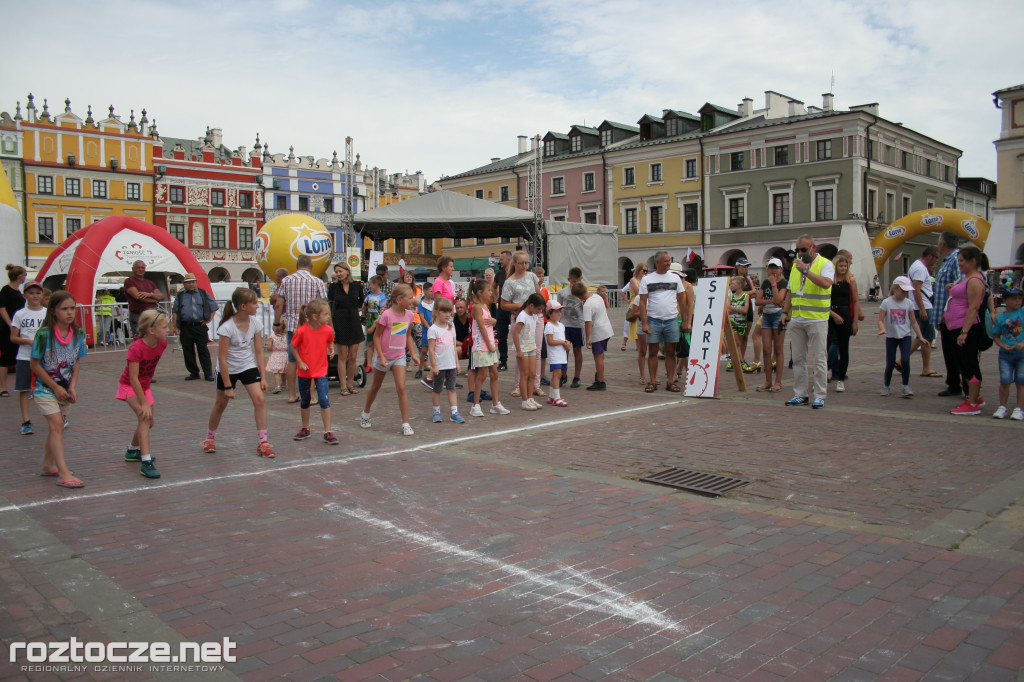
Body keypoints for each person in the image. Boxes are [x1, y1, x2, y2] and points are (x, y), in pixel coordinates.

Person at [202, 288, 275, 456]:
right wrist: (228, 386)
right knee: (221, 404)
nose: (257, 306)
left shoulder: (255, 323)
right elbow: (222, 358)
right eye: (254, 303)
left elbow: (258, 351)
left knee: (259, 400)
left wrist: (263, 377)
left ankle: (263, 442)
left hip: (247, 365)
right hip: (228, 369)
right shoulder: (227, 327)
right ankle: (210, 438)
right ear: (243, 306)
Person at [30, 291, 87, 487]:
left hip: (64, 390)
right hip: (45, 389)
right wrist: (54, 386)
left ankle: (47, 465)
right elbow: (35, 364)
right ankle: (64, 473)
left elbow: (77, 361)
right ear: (53, 311)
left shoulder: (78, 333)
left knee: (58, 426)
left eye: (72, 308)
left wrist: (72, 386)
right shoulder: (44, 334)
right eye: (64, 309)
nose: (69, 313)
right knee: (56, 425)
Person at [360, 284, 420, 435]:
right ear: (399, 300)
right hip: (384, 357)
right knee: (375, 387)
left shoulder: (409, 315)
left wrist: (413, 354)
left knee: (402, 388)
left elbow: (407, 335)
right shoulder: (386, 315)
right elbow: (376, 337)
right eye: (409, 298)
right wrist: (380, 357)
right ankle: (365, 413)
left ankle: (405, 423)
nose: (412, 300)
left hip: (399, 356)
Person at [116, 308, 168, 479]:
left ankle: (132, 451)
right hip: (130, 386)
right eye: (164, 327)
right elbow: (132, 379)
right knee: (144, 418)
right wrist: (143, 402)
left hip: (144, 386)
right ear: (151, 330)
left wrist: (146, 398)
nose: (168, 330)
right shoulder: (136, 349)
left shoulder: (162, 344)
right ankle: (145, 462)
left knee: (148, 422)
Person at [784, 235, 834, 409]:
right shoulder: (795, 266)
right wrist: (785, 311)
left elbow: (826, 284)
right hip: (798, 317)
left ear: (813, 247)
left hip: (817, 317)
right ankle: (800, 394)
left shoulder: (825, 264)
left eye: (803, 250)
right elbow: (791, 291)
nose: (799, 253)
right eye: (797, 250)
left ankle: (820, 395)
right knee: (798, 358)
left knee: (819, 358)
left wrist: (806, 270)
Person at [274, 255, 328, 404]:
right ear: (311, 267)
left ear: (297, 266)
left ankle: (292, 394)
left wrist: (277, 323)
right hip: (313, 326)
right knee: (310, 359)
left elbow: (279, 304)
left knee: (292, 360)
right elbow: (324, 305)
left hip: (293, 325)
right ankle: (311, 396)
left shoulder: (286, 280)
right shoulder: (317, 281)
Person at [946, 246, 988, 415]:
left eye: (962, 261)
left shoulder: (975, 281)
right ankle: (974, 397)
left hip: (966, 327)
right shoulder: (967, 279)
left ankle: (972, 403)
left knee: (969, 363)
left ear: (972, 261)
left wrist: (965, 331)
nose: (959, 264)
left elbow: (974, 307)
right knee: (963, 363)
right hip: (956, 326)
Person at [289, 299, 337, 443]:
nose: (329, 317)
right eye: (326, 314)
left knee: (324, 399)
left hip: (321, 369)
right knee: (305, 400)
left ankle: (328, 430)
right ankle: (305, 428)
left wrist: (331, 348)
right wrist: (300, 362)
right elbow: (293, 347)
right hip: (305, 371)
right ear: (315, 317)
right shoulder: (302, 330)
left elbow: (330, 339)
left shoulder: (327, 329)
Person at [639, 251, 688, 393]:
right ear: (657, 263)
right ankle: (653, 382)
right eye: (666, 261)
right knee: (653, 351)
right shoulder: (648, 279)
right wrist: (645, 323)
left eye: (669, 260)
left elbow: (682, 300)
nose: (668, 263)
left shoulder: (675, 278)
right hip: (653, 320)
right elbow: (642, 303)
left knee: (671, 352)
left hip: (671, 319)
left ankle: (670, 381)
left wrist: (684, 321)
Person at [501, 252, 542, 397]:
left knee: (536, 351)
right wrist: (519, 305)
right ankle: (518, 385)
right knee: (521, 352)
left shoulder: (532, 276)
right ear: (515, 263)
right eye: (521, 263)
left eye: (526, 263)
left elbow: (538, 296)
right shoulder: (509, 282)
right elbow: (504, 305)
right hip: (519, 318)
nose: (524, 266)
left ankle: (536, 384)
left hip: (536, 318)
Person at [466, 280, 508, 417]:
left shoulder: (485, 306)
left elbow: (488, 323)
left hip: (488, 344)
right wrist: (489, 344)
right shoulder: (477, 307)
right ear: (480, 292)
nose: (491, 292)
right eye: (488, 290)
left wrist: (494, 322)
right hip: (481, 346)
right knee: (482, 375)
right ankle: (475, 405)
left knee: (494, 374)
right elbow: (481, 327)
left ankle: (495, 404)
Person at [10, 280, 46, 435]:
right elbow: (13, 337)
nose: (35, 296)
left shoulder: (47, 312)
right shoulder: (19, 314)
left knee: (50, 386)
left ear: (42, 294)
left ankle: (58, 417)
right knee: (24, 389)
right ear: (25, 295)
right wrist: (27, 341)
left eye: (38, 293)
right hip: (25, 356)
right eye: (31, 293)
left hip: (45, 357)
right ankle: (25, 421)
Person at [878, 276, 923, 398]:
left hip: (905, 336)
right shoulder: (886, 302)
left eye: (907, 291)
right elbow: (881, 320)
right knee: (890, 363)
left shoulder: (908, 303)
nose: (905, 293)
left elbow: (913, 322)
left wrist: (920, 336)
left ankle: (905, 386)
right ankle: (886, 386)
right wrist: (882, 329)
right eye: (903, 290)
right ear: (895, 288)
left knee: (905, 360)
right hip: (891, 337)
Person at [171, 273, 218, 382]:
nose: (191, 284)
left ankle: (208, 373)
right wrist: (176, 326)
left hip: (199, 326)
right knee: (188, 350)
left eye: (193, 282)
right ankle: (194, 373)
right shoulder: (180, 295)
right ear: (184, 284)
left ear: (196, 282)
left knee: (203, 350)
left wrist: (208, 319)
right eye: (188, 282)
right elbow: (175, 312)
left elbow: (214, 307)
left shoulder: (203, 293)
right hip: (185, 326)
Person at [934, 232, 964, 398]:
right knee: (948, 350)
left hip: (951, 315)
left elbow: (959, 284)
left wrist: (947, 311)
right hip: (945, 316)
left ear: (942, 244)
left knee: (953, 351)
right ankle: (953, 381)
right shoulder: (947, 260)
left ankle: (956, 383)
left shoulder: (955, 259)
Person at [327, 262, 364, 397]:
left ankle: (350, 384)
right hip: (339, 321)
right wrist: (331, 326)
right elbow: (330, 307)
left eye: (340, 271)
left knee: (353, 356)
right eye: (336, 272)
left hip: (354, 320)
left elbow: (361, 302)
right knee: (342, 356)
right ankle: (343, 386)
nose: (338, 274)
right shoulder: (333, 287)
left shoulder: (356, 286)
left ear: (347, 271)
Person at [426, 297, 464, 424]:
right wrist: (434, 366)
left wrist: (457, 363)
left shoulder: (451, 327)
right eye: (444, 312)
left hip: (451, 364)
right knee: (437, 389)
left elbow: (453, 346)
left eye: (449, 312)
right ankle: (436, 411)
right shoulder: (433, 329)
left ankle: (454, 412)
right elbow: (431, 350)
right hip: (440, 365)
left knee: (451, 388)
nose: (448, 315)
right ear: (436, 312)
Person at [755, 258, 789, 393]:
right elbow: (758, 301)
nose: (773, 270)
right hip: (767, 316)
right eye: (771, 267)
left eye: (776, 267)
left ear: (781, 269)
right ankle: (768, 381)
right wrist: (770, 301)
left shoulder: (784, 283)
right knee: (766, 350)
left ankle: (778, 382)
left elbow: (780, 299)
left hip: (779, 316)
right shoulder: (765, 282)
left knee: (778, 349)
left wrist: (774, 285)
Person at [573, 281, 614, 391]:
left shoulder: (587, 305)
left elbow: (588, 323)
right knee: (601, 355)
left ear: (578, 296)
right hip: (607, 329)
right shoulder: (597, 297)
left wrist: (587, 338)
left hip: (598, 331)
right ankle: (599, 375)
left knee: (598, 357)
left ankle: (601, 381)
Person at [826, 254, 858, 393]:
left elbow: (855, 301)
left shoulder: (850, 281)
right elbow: (824, 300)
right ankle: (823, 374)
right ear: (835, 266)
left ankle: (840, 379)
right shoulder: (830, 281)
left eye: (845, 266)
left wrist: (855, 321)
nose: (843, 268)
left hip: (845, 314)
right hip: (830, 314)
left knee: (844, 348)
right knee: (825, 347)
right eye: (841, 266)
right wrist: (833, 314)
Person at [992, 283, 1024, 420]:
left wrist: (1022, 343)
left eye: (1019, 298)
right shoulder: (1000, 318)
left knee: (1021, 380)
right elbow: (996, 336)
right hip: (1005, 354)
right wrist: (1002, 346)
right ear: (1005, 301)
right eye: (1013, 298)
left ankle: (1019, 408)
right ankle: (1002, 406)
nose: (1017, 301)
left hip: (1022, 354)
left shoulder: (1022, 313)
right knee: (1005, 380)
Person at [908, 247, 941, 379]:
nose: (937, 260)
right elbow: (917, 289)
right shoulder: (920, 268)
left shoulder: (916, 266)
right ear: (930, 256)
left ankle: (901, 360)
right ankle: (926, 368)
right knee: (928, 337)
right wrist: (922, 309)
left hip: (921, 305)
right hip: (923, 306)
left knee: (921, 336)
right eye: (936, 257)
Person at [512, 293, 545, 409]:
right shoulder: (522, 316)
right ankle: (524, 400)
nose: (539, 311)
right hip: (523, 347)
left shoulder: (533, 315)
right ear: (531, 305)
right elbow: (516, 333)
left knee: (532, 374)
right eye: (538, 309)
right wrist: (519, 350)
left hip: (531, 346)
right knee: (524, 374)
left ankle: (530, 398)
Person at [557, 266, 586, 388]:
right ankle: (563, 375)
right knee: (565, 350)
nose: (576, 284)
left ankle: (577, 377)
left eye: (578, 282)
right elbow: (558, 309)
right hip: (565, 325)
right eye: (574, 282)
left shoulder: (583, 292)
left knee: (577, 350)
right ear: (569, 279)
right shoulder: (563, 292)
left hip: (577, 325)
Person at [1, 264, 27, 396]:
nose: (25, 277)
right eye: (24, 275)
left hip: (18, 327)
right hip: (8, 328)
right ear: (19, 276)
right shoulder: (6, 290)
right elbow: (2, 308)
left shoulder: (18, 292)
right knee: (6, 357)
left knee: (19, 355)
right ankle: (2, 387)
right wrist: (11, 324)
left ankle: (22, 385)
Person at [123, 260, 165, 338]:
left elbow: (162, 296)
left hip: (152, 315)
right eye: (138, 267)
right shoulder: (129, 281)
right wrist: (155, 300)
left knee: (152, 338)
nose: (140, 269)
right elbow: (138, 297)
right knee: (140, 339)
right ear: (133, 269)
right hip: (138, 315)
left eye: (142, 268)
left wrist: (149, 294)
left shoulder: (150, 283)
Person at [544, 300, 571, 406]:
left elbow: (562, 338)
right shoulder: (549, 326)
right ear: (549, 313)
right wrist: (562, 342)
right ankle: (557, 397)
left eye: (560, 311)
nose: (559, 314)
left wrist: (567, 343)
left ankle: (551, 396)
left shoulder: (561, 325)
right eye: (556, 311)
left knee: (558, 374)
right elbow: (550, 341)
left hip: (561, 354)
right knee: (557, 374)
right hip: (554, 354)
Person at [733, 257, 758, 371]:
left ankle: (741, 358)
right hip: (737, 309)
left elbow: (754, 293)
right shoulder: (733, 280)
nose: (745, 268)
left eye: (747, 266)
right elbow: (734, 294)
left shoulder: (748, 279)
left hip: (748, 309)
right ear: (737, 267)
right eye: (743, 266)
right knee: (736, 337)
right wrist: (748, 293)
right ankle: (738, 359)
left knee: (745, 336)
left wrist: (746, 293)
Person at [493, 250, 513, 370]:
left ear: (509, 260)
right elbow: (493, 287)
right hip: (501, 309)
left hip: (514, 309)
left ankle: (521, 359)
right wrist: (496, 298)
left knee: (519, 334)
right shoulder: (499, 274)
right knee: (501, 336)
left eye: (501, 259)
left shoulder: (516, 273)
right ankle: (503, 361)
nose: (499, 261)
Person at [726, 276, 750, 371]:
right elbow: (727, 309)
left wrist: (732, 307)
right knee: (735, 343)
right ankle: (740, 361)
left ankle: (735, 361)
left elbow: (745, 310)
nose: (731, 285)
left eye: (733, 284)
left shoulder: (745, 296)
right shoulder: (730, 296)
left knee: (738, 343)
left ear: (739, 285)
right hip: (732, 322)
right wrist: (737, 309)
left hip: (741, 323)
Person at [620, 263, 647, 352]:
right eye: (644, 270)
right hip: (635, 303)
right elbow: (639, 291)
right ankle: (633, 344)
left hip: (644, 302)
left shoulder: (645, 279)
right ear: (639, 270)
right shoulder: (633, 280)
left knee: (643, 323)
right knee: (633, 324)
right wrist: (627, 300)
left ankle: (639, 346)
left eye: (646, 271)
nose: (645, 272)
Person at [363, 276, 387, 371]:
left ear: (376, 284)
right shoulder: (369, 296)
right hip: (369, 321)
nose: (370, 286)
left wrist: (374, 325)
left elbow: (382, 312)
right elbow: (364, 306)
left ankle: (381, 361)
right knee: (370, 343)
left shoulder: (382, 297)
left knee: (380, 343)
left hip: (378, 323)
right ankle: (369, 364)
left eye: (371, 284)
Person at [416, 284, 435, 383]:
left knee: (435, 350)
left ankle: (434, 368)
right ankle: (420, 368)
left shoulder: (434, 303)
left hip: (434, 329)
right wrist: (429, 327)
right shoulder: (421, 304)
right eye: (430, 291)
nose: (432, 293)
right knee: (424, 350)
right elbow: (422, 318)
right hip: (426, 330)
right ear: (425, 291)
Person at [265, 321, 288, 393]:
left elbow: (268, 348)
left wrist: (274, 348)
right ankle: (284, 384)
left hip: (275, 355)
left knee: (276, 372)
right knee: (284, 371)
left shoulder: (272, 337)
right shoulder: (286, 337)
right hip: (284, 354)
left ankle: (277, 386)